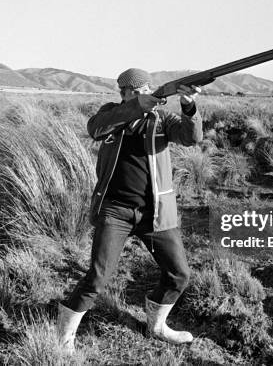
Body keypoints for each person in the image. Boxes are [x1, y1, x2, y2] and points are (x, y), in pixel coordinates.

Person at [57, 68, 203, 353]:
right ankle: (63, 340)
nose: (140, 96)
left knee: (179, 274)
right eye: (133, 93)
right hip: (115, 211)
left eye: (145, 91)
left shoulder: (162, 119)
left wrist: (188, 105)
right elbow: (95, 128)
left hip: (156, 212)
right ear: (122, 93)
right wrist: (136, 107)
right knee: (97, 278)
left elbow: (191, 137)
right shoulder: (112, 114)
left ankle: (157, 326)